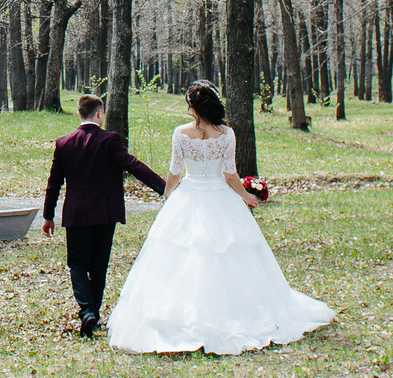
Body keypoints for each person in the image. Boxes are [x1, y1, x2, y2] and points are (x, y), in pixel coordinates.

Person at [106, 80, 334, 354]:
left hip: (188, 196)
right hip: (220, 196)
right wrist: (244, 196)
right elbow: (229, 173)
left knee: (185, 254)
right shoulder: (226, 134)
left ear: (191, 106)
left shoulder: (180, 133)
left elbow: (175, 172)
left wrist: (168, 197)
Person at [41, 93, 167, 338]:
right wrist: (164, 188)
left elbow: (53, 183)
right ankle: (93, 314)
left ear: (79, 114)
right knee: (99, 266)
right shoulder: (110, 140)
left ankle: (87, 310)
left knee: (77, 264)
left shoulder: (64, 143)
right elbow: (133, 165)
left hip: (76, 215)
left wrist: (48, 215)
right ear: (99, 113)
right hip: (104, 214)